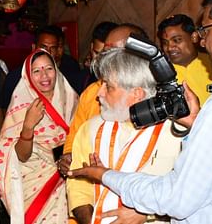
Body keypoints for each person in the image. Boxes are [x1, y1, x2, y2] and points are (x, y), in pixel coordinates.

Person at [68, 0, 212, 223]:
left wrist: (107, 176)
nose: (202, 41)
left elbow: (177, 198)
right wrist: (197, 124)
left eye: (205, 31)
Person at [67, 48, 182, 224]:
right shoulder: (91, 128)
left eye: (109, 87)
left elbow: (189, 194)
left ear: (136, 94)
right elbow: (78, 187)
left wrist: (146, 214)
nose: (99, 94)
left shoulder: (176, 133)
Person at [0, 49, 78, 223]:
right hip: (35, 186)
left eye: (49, 68)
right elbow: (19, 156)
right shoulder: (21, 107)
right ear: (27, 76)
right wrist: (28, 126)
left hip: (70, 181)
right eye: (36, 71)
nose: (44, 76)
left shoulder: (72, 100)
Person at [59, 23, 149, 176]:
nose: (104, 60)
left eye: (115, 53)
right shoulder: (92, 92)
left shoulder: (158, 98)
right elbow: (76, 133)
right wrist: (69, 154)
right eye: (102, 53)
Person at [2, 25, 82, 111]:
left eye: (52, 48)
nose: (47, 52)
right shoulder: (16, 77)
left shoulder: (66, 76)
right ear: (33, 47)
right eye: (43, 47)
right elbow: (6, 111)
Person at [158, 14, 212, 106]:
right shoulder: (160, 71)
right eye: (165, 43)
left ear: (194, 37)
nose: (169, 48)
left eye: (177, 40)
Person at [81, 21, 118, 88]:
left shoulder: (124, 83)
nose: (101, 61)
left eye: (106, 55)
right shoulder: (82, 79)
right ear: (91, 47)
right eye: (97, 53)